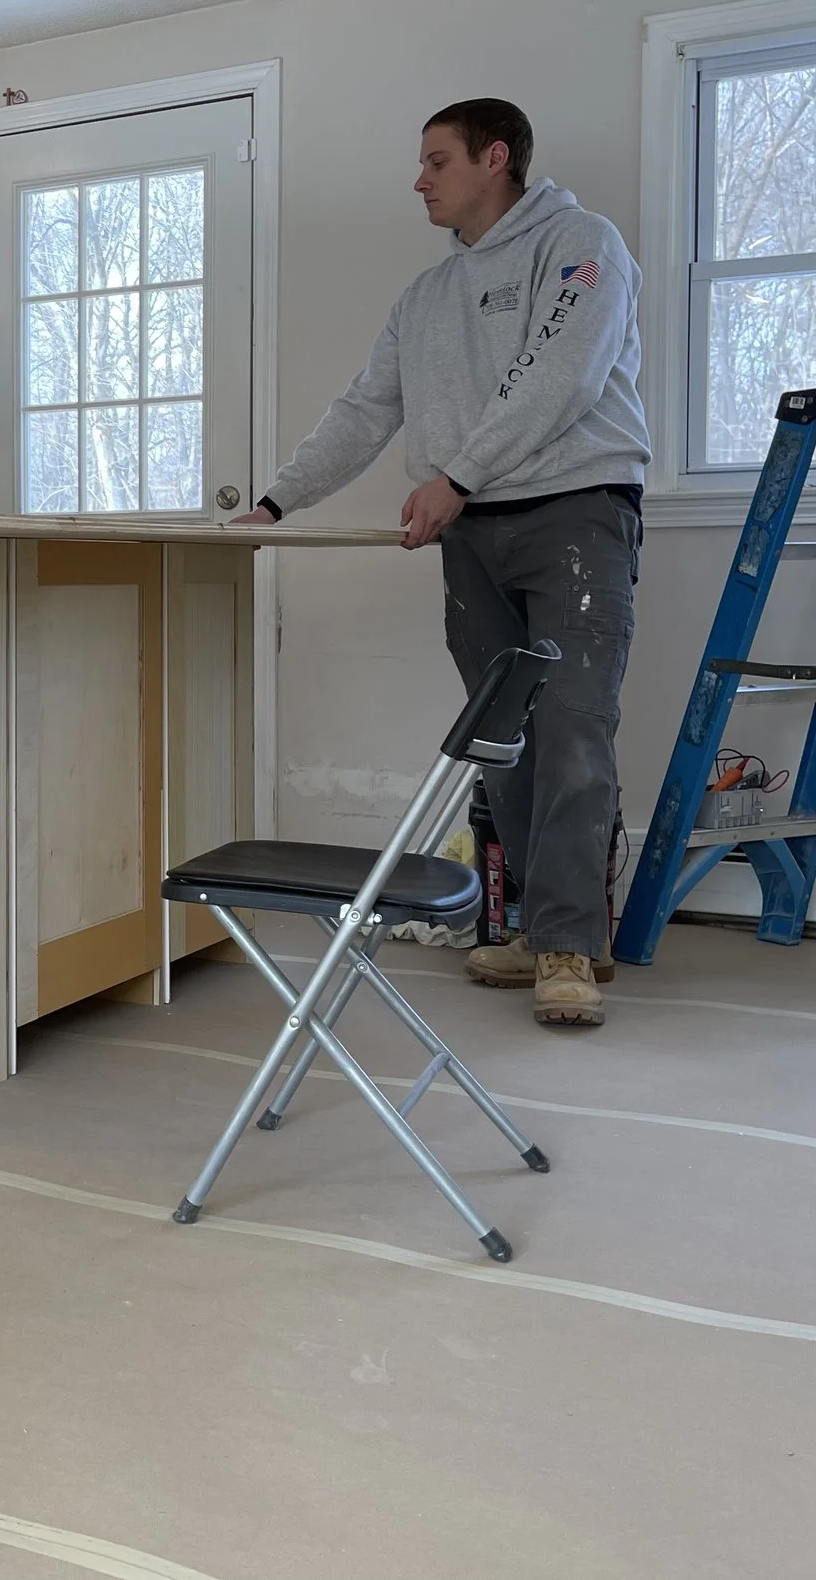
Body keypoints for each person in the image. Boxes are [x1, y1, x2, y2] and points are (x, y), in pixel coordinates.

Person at [233, 99, 647, 1029]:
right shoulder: (426, 299)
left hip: (577, 514)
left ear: (495, 157)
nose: (419, 180)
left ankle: (574, 942)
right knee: (500, 739)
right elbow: (363, 411)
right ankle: (539, 930)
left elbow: (563, 375)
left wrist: (455, 473)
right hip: (474, 529)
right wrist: (273, 502)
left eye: (436, 161)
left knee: (576, 728)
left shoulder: (582, 243)